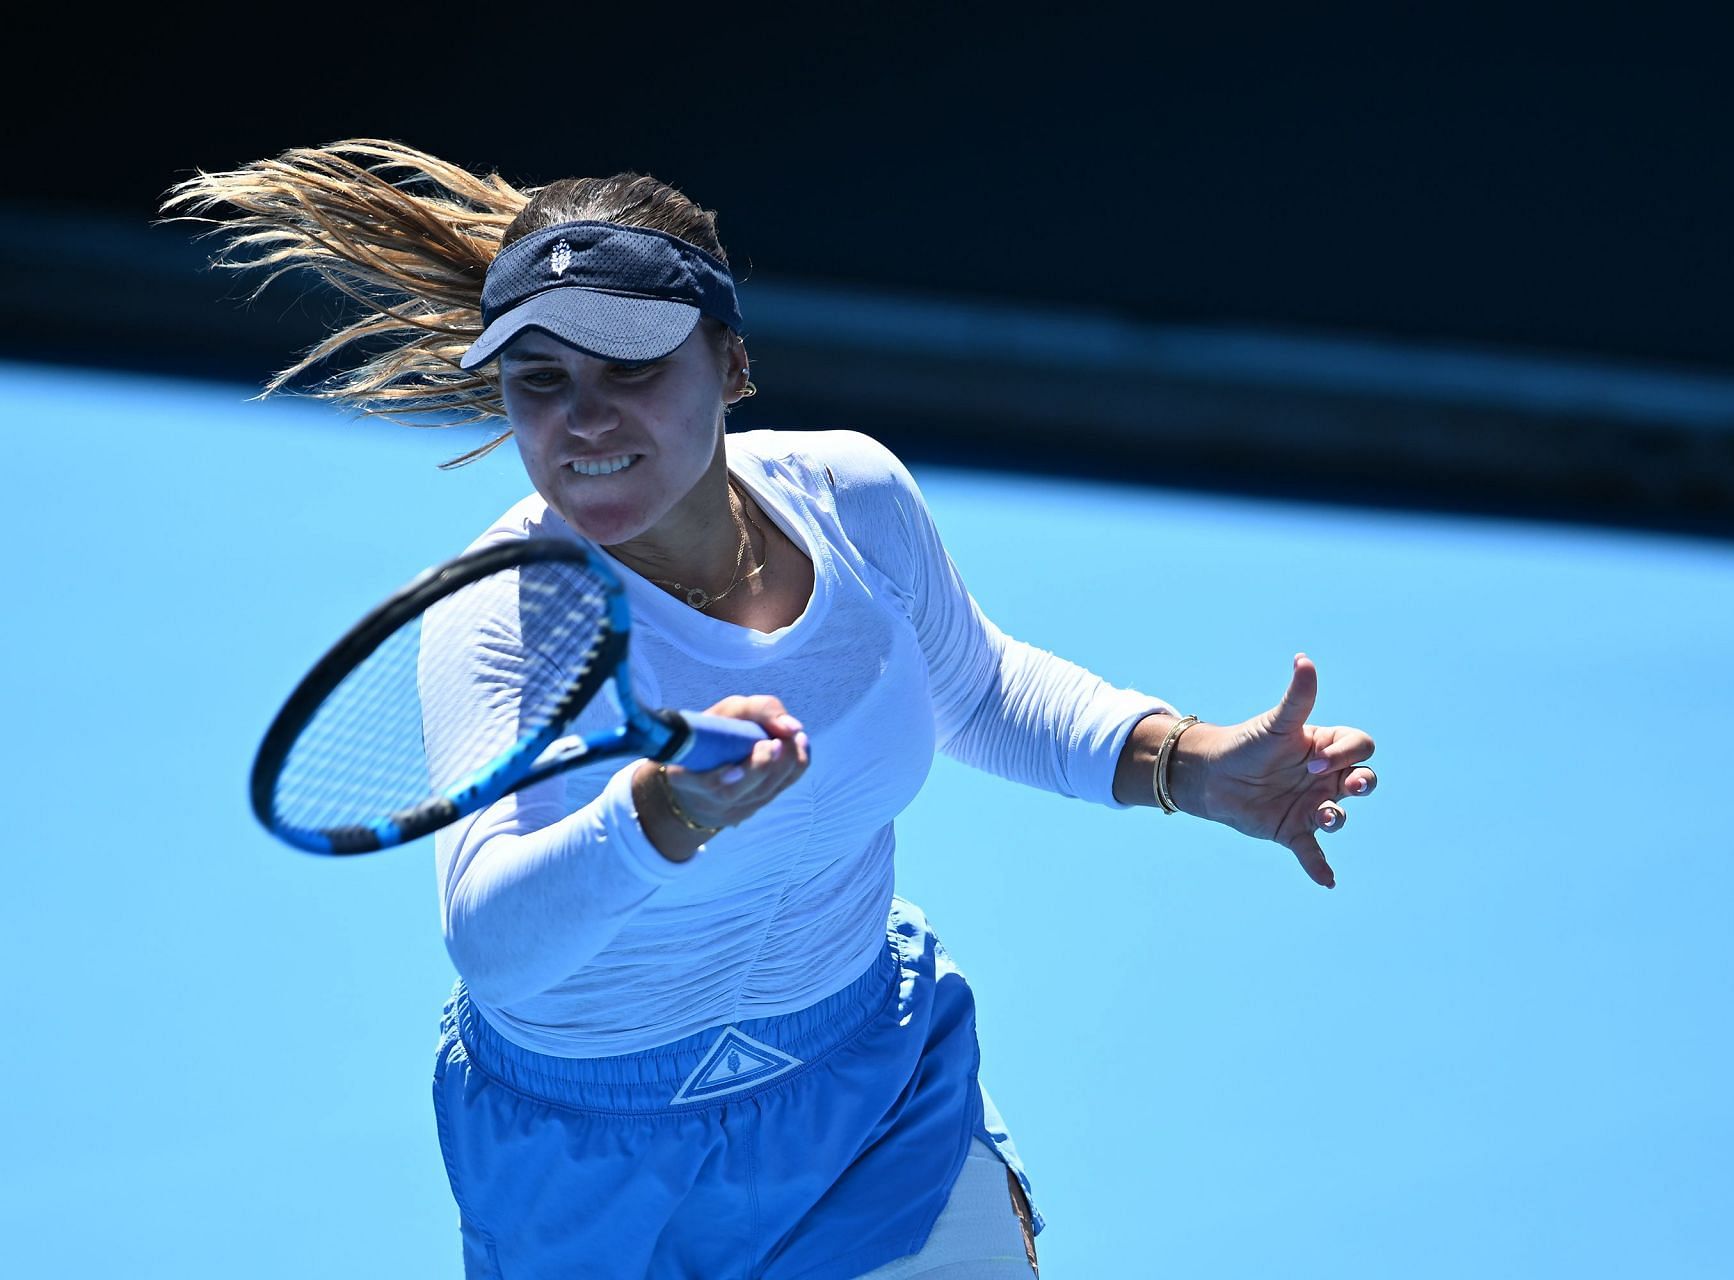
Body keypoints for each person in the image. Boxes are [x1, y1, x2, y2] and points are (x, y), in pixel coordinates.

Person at [163, 139, 1379, 1278]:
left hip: (869, 1084)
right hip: (592, 1165)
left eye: (631, 367)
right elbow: (492, 938)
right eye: (540, 383)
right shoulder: (501, 611)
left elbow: (978, 685)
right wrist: (661, 813)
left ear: (732, 363)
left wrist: (1185, 761)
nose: (584, 417)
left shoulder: (853, 495)